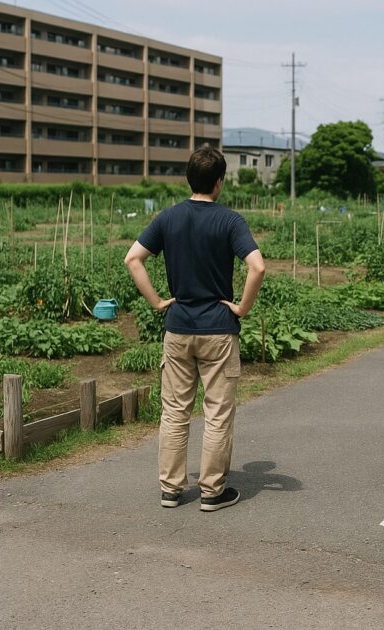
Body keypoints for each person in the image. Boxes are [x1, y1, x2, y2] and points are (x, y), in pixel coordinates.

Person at [124, 145, 265, 512]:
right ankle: (212, 491)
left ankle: (171, 489)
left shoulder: (168, 218)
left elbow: (133, 259)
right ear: (219, 182)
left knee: (174, 411)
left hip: (179, 327)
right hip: (219, 329)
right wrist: (242, 308)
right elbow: (258, 267)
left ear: (190, 178)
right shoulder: (230, 221)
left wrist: (157, 302)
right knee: (217, 412)